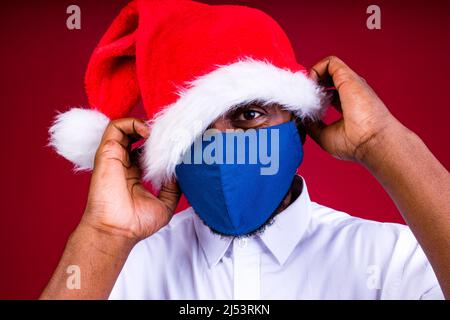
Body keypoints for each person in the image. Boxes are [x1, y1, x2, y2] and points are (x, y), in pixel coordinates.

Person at [41, 0, 449, 299]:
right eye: (196, 128)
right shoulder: (115, 271)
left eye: (250, 114)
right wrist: (104, 234)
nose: (223, 148)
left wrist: (381, 141)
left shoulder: (393, 260)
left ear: (300, 123)